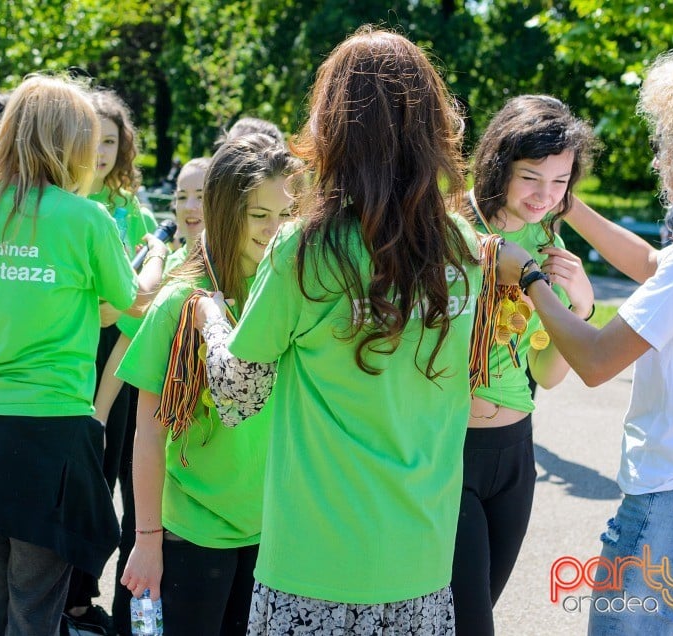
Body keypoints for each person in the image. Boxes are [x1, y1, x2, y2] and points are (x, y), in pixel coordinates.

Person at [195, 27, 484, 634]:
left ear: (335, 126)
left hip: (312, 566)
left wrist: (211, 317)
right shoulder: (462, 249)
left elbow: (237, 394)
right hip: (422, 561)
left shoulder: (305, 249)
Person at [0, 74, 165, 636]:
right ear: (73, 143)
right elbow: (136, 301)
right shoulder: (85, 218)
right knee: (35, 610)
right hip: (49, 433)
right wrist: (158, 253)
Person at [511, 52, 673, 634]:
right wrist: (566, 200)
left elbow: (598, 361)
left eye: (668, 143)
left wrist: (530, 280)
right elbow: (655, 265)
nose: (657, 158)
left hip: (669, 498)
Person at [118, 134, 301, 633]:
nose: (275, 229)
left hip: (276, 533)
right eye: (259, 214)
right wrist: (147, 540)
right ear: (223, 211)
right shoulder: (181, 301)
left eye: (286, 214)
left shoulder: (297, 290)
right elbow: (150, 432)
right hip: (192, 532)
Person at [452, 95, 597, 635]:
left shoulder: (549, 245)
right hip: (449, 450)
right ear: (498, 167)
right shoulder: (451, 230)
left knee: (476, 612)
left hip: (515, 455)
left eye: (560, 182)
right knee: (469, 624)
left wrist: (578, 303)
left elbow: (549, 372)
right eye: (531, 177)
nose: (545, 195)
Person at [64, 87, 162, 635]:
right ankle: (70, 597)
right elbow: (105, 303)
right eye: (90, 139)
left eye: (110, 140)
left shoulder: (133, 212)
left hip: (125, 356)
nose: (100, 151)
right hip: (73, 353)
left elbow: (125, 310)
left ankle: (109, 604)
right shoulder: (65, 206)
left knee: (125, 477)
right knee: (83, 480)